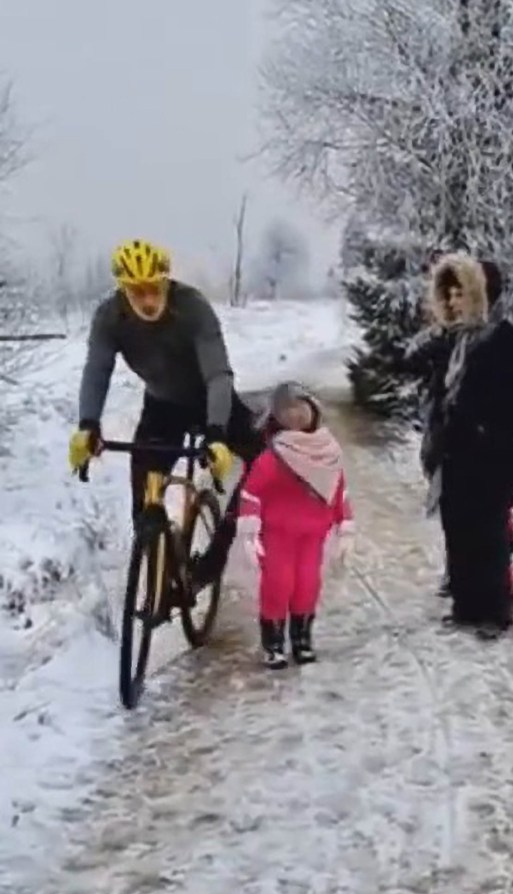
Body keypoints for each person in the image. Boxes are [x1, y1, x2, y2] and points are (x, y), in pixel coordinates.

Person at [68, 238, 262, 588]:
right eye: (135, 291)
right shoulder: (110, 317)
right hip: (163, 405)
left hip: (211, 401)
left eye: (153, 289)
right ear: (122, 290)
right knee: (143, 493)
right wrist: (88, 424)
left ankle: (212, 562)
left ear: (166, 282)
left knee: (263, 463)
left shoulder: (192, 307)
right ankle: (157, 551)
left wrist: (216, 432)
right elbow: (97, 370)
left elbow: (218, 373)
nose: (147, 300)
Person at [427, 252, 513, 639]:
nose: (455, 302)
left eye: (462, 293)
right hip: (455, 454)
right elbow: (439, 395)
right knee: (457, 529)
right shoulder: (451, 342)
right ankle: (465, 605)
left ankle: (493, 611)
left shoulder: (509, 341)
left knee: (489, 533)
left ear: (479, 294)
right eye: (449, 295)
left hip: (494, 455)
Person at [238, 382, 354, 668]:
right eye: (286, 409)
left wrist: (346, 524)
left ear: (313, 409)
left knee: (308, 583)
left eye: (300, 406)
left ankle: (302, 638)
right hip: (278, 534)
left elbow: (338, 490)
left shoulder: (328, 452)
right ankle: (274, 642)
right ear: (276, 417)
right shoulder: (274, 456)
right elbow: (252, 491)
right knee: (278, 584)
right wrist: (250, 528)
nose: (295, 414)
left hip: (313, 535)